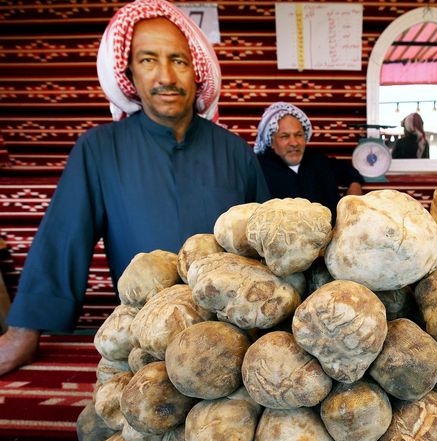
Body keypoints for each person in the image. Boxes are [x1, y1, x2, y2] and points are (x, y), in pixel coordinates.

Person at [0, 0, 270, 376]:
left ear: (196, 71)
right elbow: (63, 240)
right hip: (142, 343)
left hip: (230, 344)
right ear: (129, 73)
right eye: (148, 60)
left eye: (178, 60)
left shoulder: (235, 152)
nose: (166, 77)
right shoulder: (100, 149)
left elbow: (269, 248)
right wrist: (22, 332)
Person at [254, 102, 364, 221]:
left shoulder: (318, 161)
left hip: (328, 236)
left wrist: (354, 186)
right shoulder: (258, 169)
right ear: (271, 141)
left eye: (299, 135)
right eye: (285, 136)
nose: (294, 143)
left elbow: (348, 172)